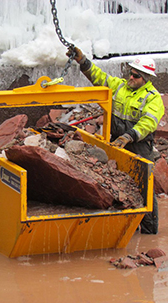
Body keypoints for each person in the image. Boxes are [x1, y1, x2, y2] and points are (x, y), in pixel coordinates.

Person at [66, 47, 165, 234]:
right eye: (130, 73)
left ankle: (148, 229)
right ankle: (123, 224)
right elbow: (98, 77)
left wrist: (129, 136)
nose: (131, 78)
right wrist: (83, 61)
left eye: (135, 76)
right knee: (116, 183)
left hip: (139, 145)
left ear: (145, 78)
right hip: (116, 142)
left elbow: (148, 123)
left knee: (144, 186)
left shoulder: (152, 99)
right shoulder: (120, 86)